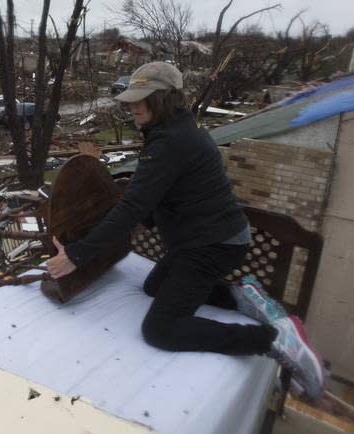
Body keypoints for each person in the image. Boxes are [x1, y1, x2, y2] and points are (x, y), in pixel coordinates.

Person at [46, 62, 325, 400]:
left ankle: (273, 340)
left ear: (164, 98)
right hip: (202, 238)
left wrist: (77, 255)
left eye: (142, 98)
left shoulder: (169, 142)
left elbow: (133, 206)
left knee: (161, 330)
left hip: (212, 245)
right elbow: (160, 195)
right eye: (131, 99)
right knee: (153, 287)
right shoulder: (175, 131)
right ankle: (241, 296)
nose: (133, 105)